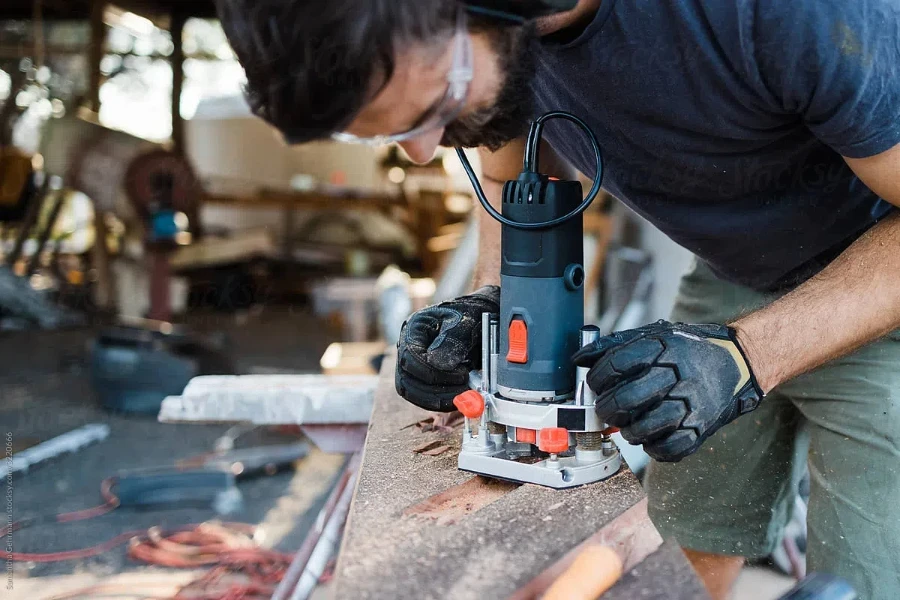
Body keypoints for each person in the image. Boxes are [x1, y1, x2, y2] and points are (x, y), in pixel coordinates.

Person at [215, 1, 900, 598]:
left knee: (866, 577)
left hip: (880, 270)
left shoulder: (785, 13)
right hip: (735, 271)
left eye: (437, 110)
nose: (423, 154)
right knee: (686, 537)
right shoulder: (498, 35)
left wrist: (748, 354)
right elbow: (517, 173)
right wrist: (488, 303)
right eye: (401, 130)